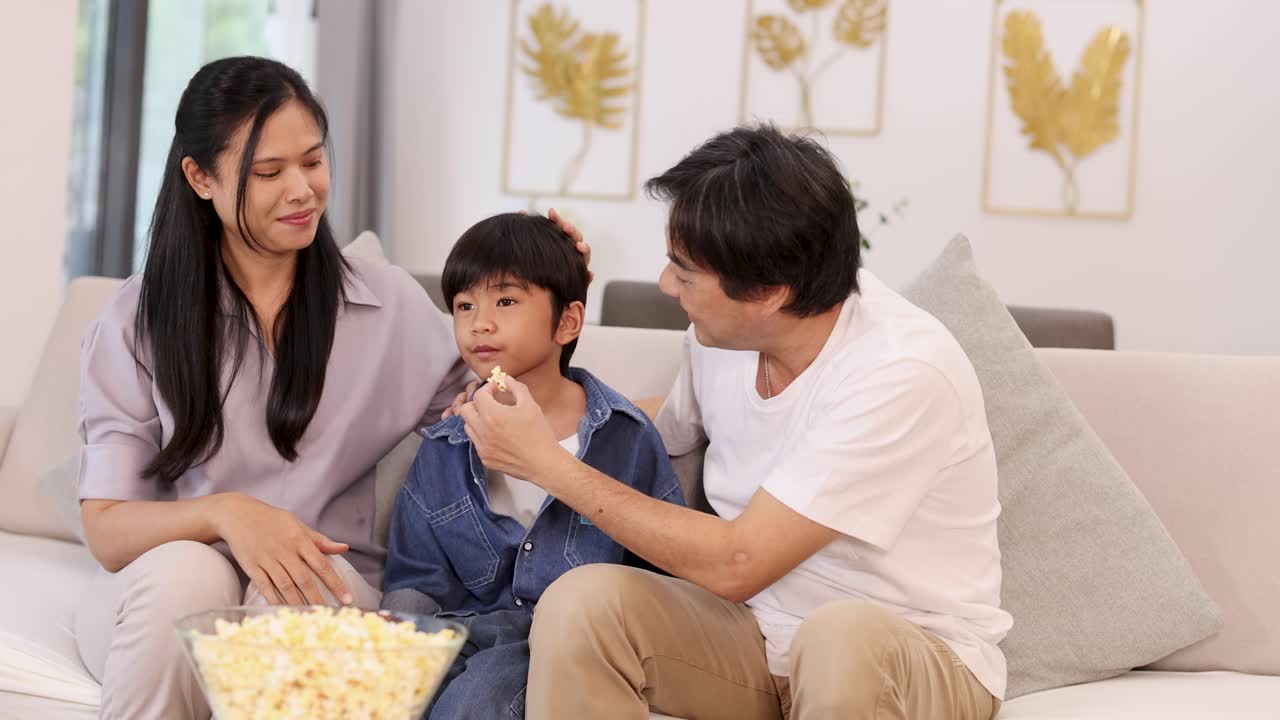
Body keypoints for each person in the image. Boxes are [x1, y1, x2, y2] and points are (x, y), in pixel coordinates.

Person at [71, 57, 584, 720]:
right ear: (200, 178)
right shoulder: (136, 319)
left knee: (302, 593)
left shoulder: (388, 306)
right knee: (187, 575)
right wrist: (228, 513)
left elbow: (510, 403)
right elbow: (108, 528)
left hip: (323, 580)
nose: (302, 190)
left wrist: (555, 289)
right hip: (160, 584)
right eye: (268, 172)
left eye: (312, 162)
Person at [457, 125, 1013, 720]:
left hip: (910, 652)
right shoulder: (720, 338)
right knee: (580, 604)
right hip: (757, 634)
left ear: (769, 292)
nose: (666, 285)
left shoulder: (901, 370)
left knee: (838, 641)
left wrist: (547, 464)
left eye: (684, 273)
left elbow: (738, 562)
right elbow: (658, 425)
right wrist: (536, 391)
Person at [382, 212, 685, 719]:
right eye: (464, 305)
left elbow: (663, 572)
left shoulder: (624, 438)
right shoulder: (444, 445)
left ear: (567, 322)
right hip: (461, 638)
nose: (480, 322)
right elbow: (416, 581)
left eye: (505, 301)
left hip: (566, 646)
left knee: (477, 701)